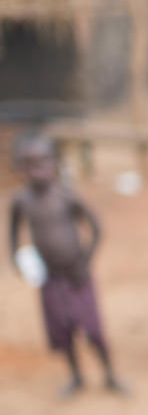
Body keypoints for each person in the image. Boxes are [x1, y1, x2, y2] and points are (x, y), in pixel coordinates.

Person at [8, 134, 125, 398]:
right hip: (50, 277)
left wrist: (85, 261)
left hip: (77, 275)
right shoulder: (21, 201)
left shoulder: (66, 195)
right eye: (30, 163)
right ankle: (76, 377)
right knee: (63, 330)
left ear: (54, 164)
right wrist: (18, 262)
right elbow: (13, 234)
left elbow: (96, 229)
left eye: (43, 162)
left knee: (93, 330)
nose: (37, 169)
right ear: (21, 168)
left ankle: (110, 375)